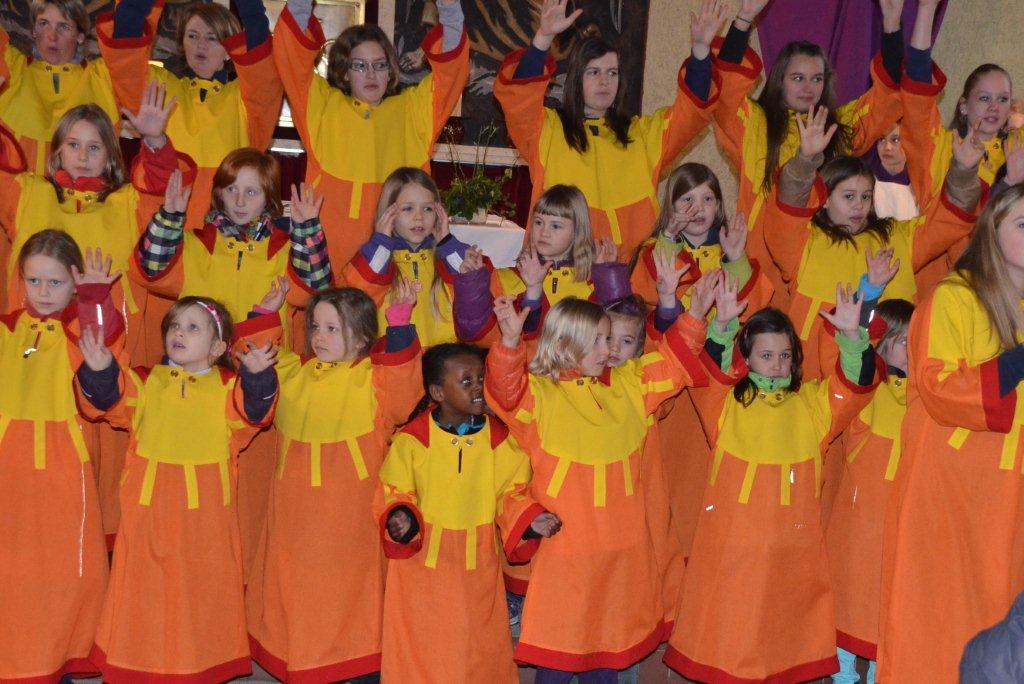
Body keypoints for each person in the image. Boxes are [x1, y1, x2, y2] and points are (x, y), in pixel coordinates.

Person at [485, 286, 709, 681]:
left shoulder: (629, 384)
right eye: (600, 340)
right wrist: (509, 343)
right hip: (567, 553)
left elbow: (672, 365)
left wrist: (696, 313)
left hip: (623, 554)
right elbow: (505, 390)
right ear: (565, 345)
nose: (610, 349)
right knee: (559, 653)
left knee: (609, 652)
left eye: (610, 339)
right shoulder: (539, 397)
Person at [664, 277, 880, 682]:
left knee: (779, 643)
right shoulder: (725, 404)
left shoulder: (813, 406)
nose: (777, 365)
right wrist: (722, 327)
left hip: (789, 550)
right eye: (766, 355)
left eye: (784, 355)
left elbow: (853, 386)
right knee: (728, 640)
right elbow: (711, 372)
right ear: (746, 358)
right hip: (733, 549)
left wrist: (852, 338)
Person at [74, 296, 278, 682]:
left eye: (193, 327)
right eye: (174, 326)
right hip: (148, 515)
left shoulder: (227, 388)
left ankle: (198, 667)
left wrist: (257, 378)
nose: (179, 333)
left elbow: (254, 413)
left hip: (205, 521)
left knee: (199, 596)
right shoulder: (146, 381)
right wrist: (100, 370)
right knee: (144, 593)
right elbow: (111, 399)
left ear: (217, 348)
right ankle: (139, 664)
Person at [877, 184, 1024, 682]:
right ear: (991, 232)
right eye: (1023, 224)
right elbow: (937, 387)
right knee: (938, 623)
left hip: (1009, 494)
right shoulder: (953, 297)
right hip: (950, 491)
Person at [242, 282, 422, 682]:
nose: (319, 336)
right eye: (315, 327)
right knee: (295, 592)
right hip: (295, 516)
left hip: (348, 518)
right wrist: (264, 314)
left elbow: (403, 394)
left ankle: (357, 667)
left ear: (360, 338)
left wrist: (399, 324)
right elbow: (257, 359)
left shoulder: (373, 379)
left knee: (348, 597)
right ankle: (302, 661)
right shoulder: (294, 373)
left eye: (332, 329)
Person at [378, 342, 559, 682]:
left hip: (477, 562)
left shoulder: (499, 440)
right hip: (422, 565)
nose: (478, 386)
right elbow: (394, 489)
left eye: (481, 378)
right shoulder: (413, 440)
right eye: (466, 380)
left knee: (477, 643)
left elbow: (512, 492)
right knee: (421, 642)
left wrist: (530, 518)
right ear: (437, 392)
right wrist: (401, 515)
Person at [493, 0, 729, 258]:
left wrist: (701, 51)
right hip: (561, 268)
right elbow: (518, 98)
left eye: (612, 73)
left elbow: (691, 114)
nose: (604, 81)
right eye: (594, 72)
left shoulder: (641, 135)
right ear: (576, 79)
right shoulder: (547, 130)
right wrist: (543, 38)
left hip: (630, 268)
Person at [762, 103, 982, 378]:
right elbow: (787, 210)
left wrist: (963, 171)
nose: (859, 205)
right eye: (849, 196)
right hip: (816, 382)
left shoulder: (896, 238)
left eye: (866, 196)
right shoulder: (804, 241)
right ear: (825, 199)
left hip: (891, 381)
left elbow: (947, 221)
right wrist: (805, 160)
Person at [710, 0, 905, 303]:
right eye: (798, 78)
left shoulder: (838, 128)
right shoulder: (756, 125)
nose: (808, 88)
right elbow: (725, 91)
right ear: (779, 80)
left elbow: (886, 100)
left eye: (817, 79)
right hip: (759, 270)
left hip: (819, 269)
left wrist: (891, 27)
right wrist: (744, 19)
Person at [0, 232, 120, 682]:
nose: (43, 292)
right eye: (34, 280)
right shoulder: (6, 329)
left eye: (55, 282)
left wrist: (95, 299)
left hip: (64, 467)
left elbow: (104, 346)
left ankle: (56, 662)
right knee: (10, 571)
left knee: (64, 574)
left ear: (73, 283)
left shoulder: (80, 329)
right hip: (8, 468)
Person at [273, 0, 468, 270]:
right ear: (344, 71)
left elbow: (450, 73)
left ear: (390, 71)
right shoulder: (320, 105)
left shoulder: (414, 110)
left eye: (379, 65)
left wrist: (449, 6)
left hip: (397, 255)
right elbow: (291, 56)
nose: (371, 74)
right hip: (330, 251)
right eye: (360, 65)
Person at [99, 0, 283, 226]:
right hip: (163, 229)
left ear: (230, 49)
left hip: (222, 236)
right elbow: (125, 45)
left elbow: (259, 53)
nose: (200, 45)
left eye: (212, 38)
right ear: (182, 44)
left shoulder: (246, 100)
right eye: (192, 36)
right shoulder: (160, 88)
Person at [132, 150, 331, 348]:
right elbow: (150, 270)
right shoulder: (196, 244)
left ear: (268, 197)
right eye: (231, 189)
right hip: (202, 365)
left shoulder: (284, 250)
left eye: (251, 192)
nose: (239, 201)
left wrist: (307, 230)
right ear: (219, 193)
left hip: (263, 363)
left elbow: (316, 291)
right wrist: (169, 218)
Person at [823, 298, 913, 684]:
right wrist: (868, 294)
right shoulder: (869, 389)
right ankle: (842, 671)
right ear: (881, 343)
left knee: (892, 599)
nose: (915, 349)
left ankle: (881, 671)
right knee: (851, 594)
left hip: (905, 523)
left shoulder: (926, 394)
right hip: (860, 522)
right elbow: (847, 365)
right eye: (905, 341)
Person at [454, 184, 629, 345]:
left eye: (555, 226)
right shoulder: (510, 277)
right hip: (524, 368)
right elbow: (473, 333)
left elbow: (619, 334)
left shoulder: (590, 280)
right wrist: (472, 282)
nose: (544, 232)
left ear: (577, 231)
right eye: (538, 222)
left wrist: (608, 276)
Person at [344, 167, 468, 347]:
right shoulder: (377, 260)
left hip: (442, 359)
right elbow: (355, 300)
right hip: (393, 359)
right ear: (388, 213)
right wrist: (381, 244)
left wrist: (448, 244)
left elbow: (472, 287)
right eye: (408, 208)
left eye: (428, 209)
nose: (419, 217)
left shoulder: (447, 256)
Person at [0, 0, 120, 173]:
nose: (52, 36)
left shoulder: (104, 77)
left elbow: (131, 57)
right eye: (44, 24)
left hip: (88, 191)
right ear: (34, 30)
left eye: (64, 26)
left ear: (80, 36)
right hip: (14, 189)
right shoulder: (10, 67)